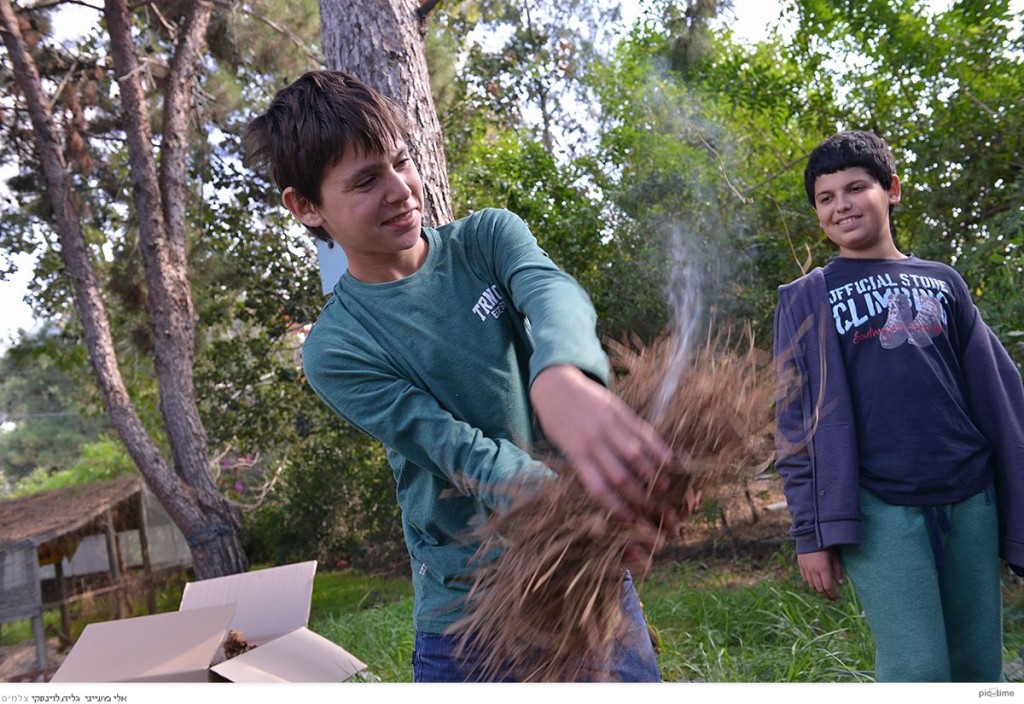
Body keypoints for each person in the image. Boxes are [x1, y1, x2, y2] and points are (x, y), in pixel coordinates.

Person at [243, 70, 680, 682]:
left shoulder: (486, 240)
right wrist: (576, 507)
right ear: (306, 206)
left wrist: (566, 374)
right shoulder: (338, 348)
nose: (400, 191)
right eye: (366, 181)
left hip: (585, 578)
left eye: (401, 161)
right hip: (470, 616)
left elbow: (551, 292)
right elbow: (458, 451)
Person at [773, 129, 1024, 682]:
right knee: (917, 668)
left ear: (892, 190)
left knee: (980, 668)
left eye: (855, 188)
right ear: (817, 212)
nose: (841, 205)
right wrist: (810, 535)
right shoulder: (805, 299)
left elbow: (1001, 399)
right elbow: (794, 425)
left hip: (969, 498)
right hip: (877, 507)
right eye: (825, 197)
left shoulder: (944, 283)